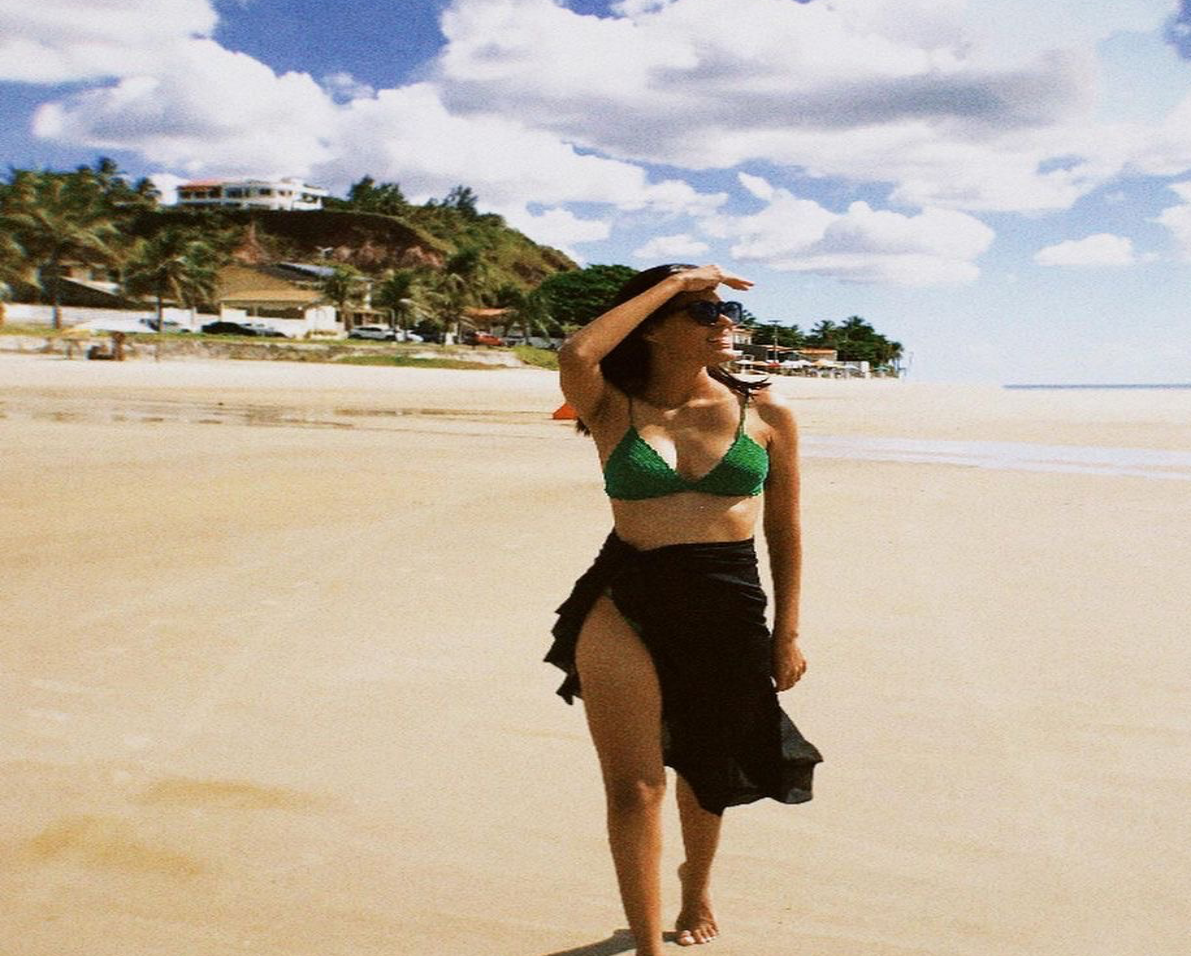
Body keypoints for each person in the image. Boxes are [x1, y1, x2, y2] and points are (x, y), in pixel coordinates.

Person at [544, 264, 823, 954]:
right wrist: (675, 283)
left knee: (705, 769)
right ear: (653, 327)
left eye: (727, 309)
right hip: (626, 597)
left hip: (727, 599)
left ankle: (695, 885)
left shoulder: (765, 413)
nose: (724, 320)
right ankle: (647, 946)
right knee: (634, 789)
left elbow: (784, 531)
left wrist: (786, 634)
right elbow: (576, 352)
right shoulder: (610, 405)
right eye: (703, 312)